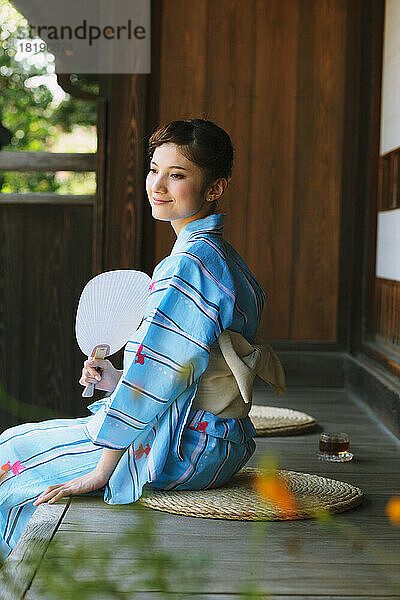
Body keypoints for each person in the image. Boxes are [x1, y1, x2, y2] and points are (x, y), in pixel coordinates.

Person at [0, 118, 277, 560]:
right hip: (224, 439)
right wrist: (116, 381)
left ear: (215, 188)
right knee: (22, 440)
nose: (158, 185)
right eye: (154, 169)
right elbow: (185, 371)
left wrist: (100, 472)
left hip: (187, 448)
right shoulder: (220, 256)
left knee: (11, 457)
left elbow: (155, 377)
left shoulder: (188, 264)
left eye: (178, 175)